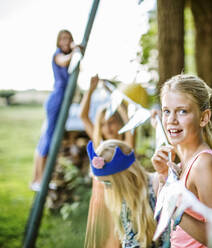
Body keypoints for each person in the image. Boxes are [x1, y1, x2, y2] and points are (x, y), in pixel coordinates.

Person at [151, 74, 212, 247]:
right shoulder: (182, 165)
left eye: (182, 111)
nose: (171, 120)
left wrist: (173, 209)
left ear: (203, 118)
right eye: (166, 111)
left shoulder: (204, 165)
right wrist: (165, 176)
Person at [80, 75, 134, 248]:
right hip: (98, 201)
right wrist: (90, 89)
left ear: (120, 123)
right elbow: (83, 116)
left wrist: (116, 99)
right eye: (103, 124)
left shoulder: (125, 148)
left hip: (118, 202)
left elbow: (130, 125)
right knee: (99, 242)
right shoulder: (98, 146)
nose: (108, 128)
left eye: (112, 122)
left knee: (114, 241)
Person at [87, 139, 168, 247]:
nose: (106, 188)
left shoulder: (157, 185)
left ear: (124, 179)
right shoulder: (120, 199)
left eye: (108, 183)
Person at [31, 29, 81, 191]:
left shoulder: (69, 55)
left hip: (61, 102)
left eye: (69, 38)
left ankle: (41, 179)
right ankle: (38, 180)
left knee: (48, 140)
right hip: (55, 101)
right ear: (59, 42)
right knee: (47, 140)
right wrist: (74, 49)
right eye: (63, 39)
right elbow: (65, 61)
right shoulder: (57, 55)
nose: (66, 41)